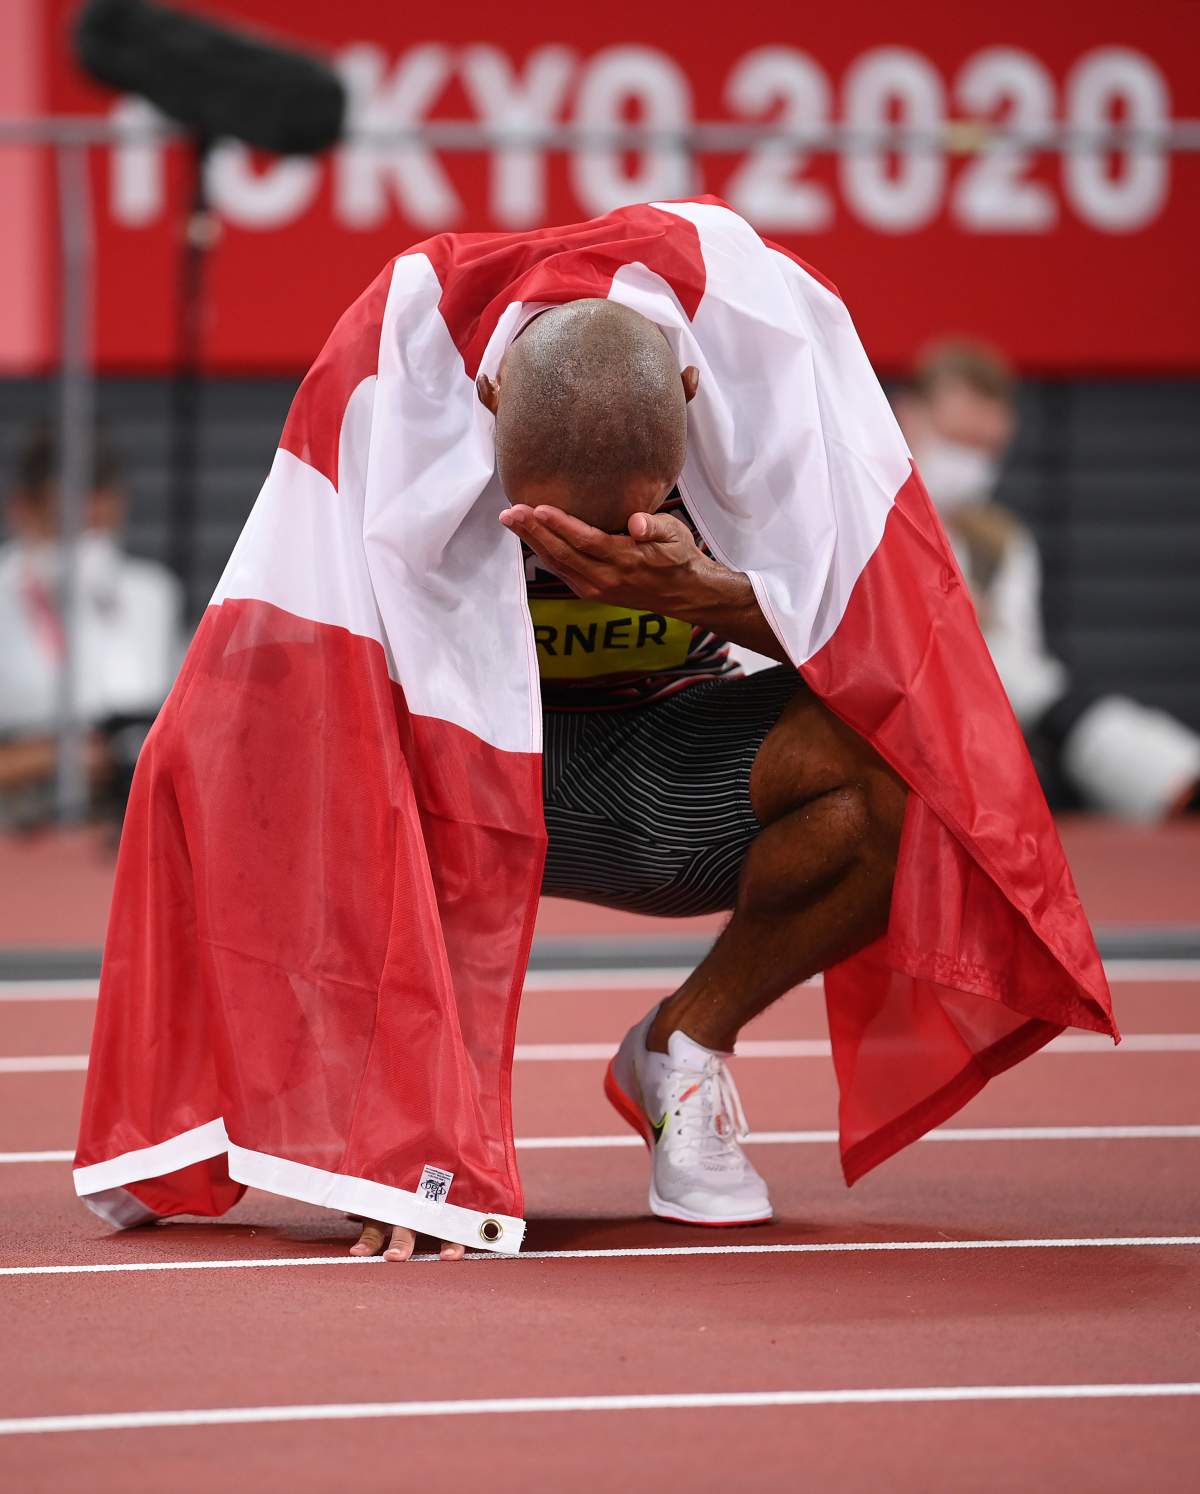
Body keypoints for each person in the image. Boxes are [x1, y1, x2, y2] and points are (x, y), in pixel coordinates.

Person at [74, 200, 1114, 1264]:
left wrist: (712, 594)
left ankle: (685, 1044)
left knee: (916, 762)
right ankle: (384, 1117)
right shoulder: (402, 384)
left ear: (692, 394)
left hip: (680, 759)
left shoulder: (771, 361)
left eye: (624, 525)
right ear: (485, 401)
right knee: (270, 771)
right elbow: (259, 707)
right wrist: (399, 1138)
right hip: (456, 786)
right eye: (547, 530)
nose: (585, 560)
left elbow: (914, 655)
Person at [893, 342, 1200, 819]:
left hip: (977, 722)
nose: (970, 465)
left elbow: (1020, 679)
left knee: (1047, 703)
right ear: (907, 417)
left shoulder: (998, 543)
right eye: (957, 441)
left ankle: (1178, 780)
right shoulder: (864, 520)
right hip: (882, 709)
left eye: (986, 450)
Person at [0, 426, 184, 825]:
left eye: (100, 525)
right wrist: (63, 758)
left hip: (131, 821)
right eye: (64, 525)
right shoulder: (6, 595)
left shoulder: (152, 594)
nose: (88, 545)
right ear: (22, 511)